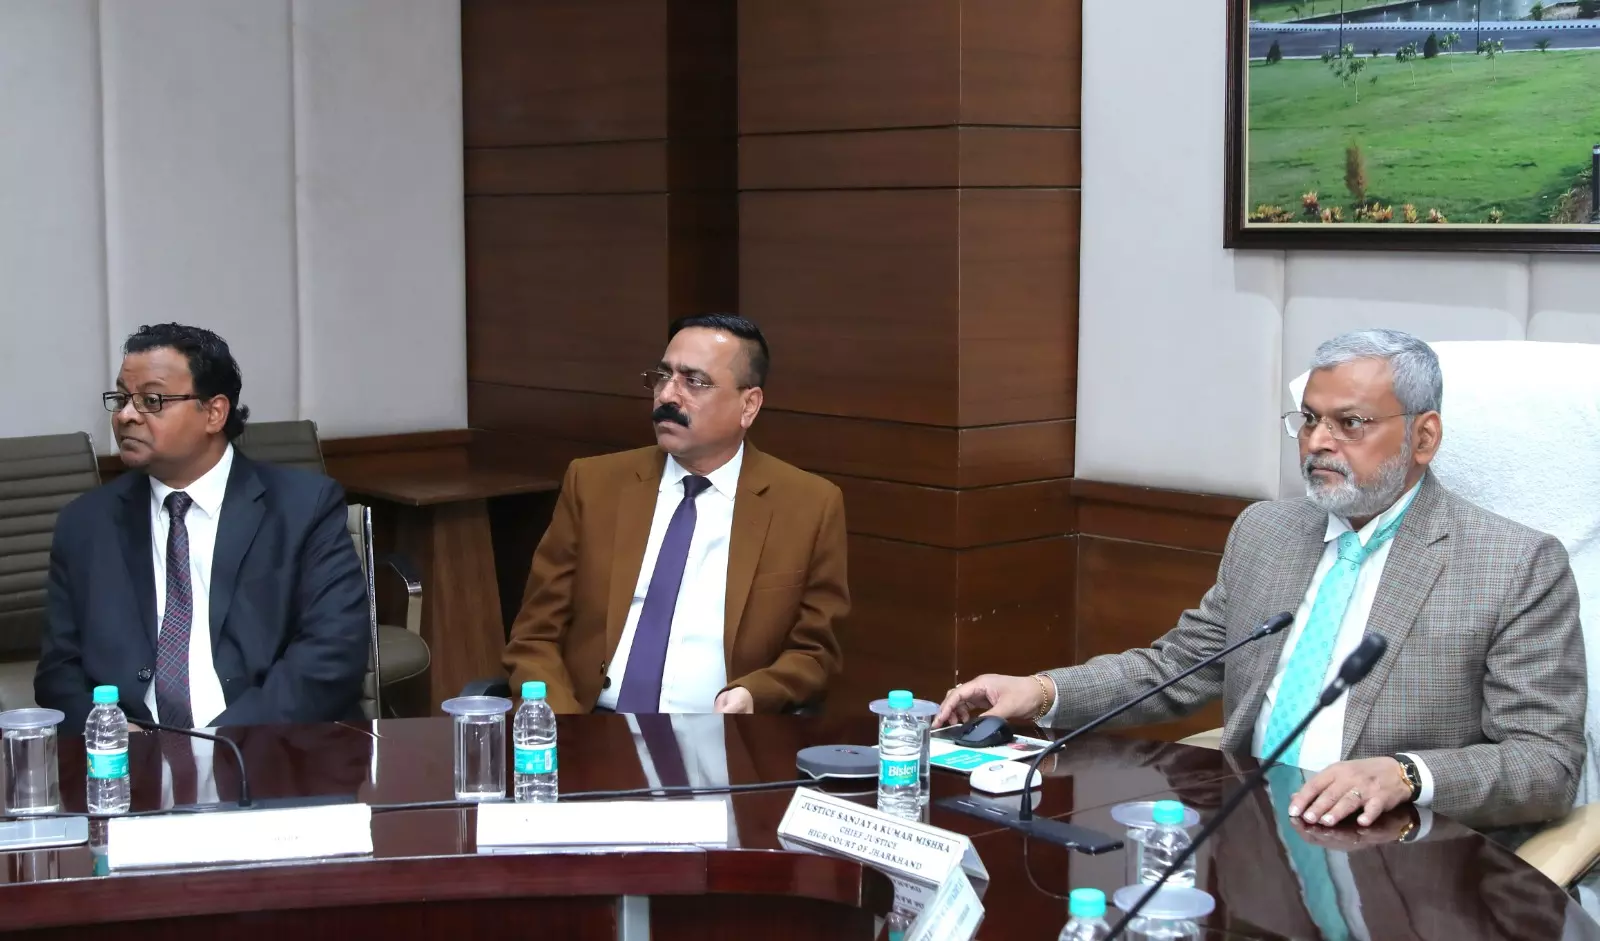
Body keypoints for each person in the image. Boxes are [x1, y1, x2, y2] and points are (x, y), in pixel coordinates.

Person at [936, 329, 1585, 830]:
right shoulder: (1267, 532)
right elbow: (1180, 666)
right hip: (1250, 829)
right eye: (1309, 419)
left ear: (1424, 437)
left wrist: (1406, 774)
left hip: (1405, 848)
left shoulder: (1514, 565)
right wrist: (1042, 691)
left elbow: (1545, 761)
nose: (1318, 442)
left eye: (1349, 423)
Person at [503, 313, 847, 714]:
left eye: (694, 382)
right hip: (589, 723)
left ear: (749, 405)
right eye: (663, 376)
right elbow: (535, 637)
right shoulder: (594, 484)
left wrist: (755, 693)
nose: (668, 395)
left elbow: (815, 652)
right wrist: (566, 728)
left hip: (718, 732)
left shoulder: (809, 505)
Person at [36, 323, 370, 730]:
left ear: (214, 413)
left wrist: (216, 745)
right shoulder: (86, 523)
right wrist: (114, 732)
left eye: (151, 400)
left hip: (266, 749)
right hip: (130, 756)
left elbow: (331, 655)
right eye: (121, 398)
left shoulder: (303, 508)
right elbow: (59, 672)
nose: (125, 415)